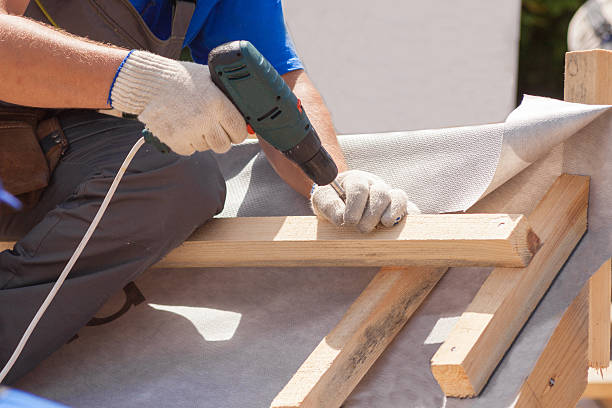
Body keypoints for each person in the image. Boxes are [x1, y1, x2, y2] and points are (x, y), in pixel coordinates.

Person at [0, 0, 417, 383]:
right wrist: (139, 80)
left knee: (171, 169)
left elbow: (271, 86)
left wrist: (331, 179)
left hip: (31, 163)